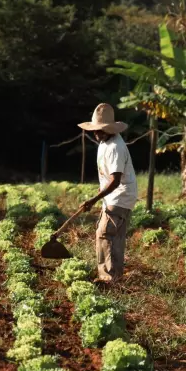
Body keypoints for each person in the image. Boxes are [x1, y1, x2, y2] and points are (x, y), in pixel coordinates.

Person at [77, 103, 138, 283]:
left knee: (105, 232)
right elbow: (107, 176)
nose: (96, 134)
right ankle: (114, 276)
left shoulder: (115, 148)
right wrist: (101, 191)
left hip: (121, 195)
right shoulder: (105, 143)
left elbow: (116, 180)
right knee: (114, 236)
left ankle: (108, 278)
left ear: (110, 129)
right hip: (113, 195)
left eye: (100, 130)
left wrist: (93, 200)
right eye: (95, 130)